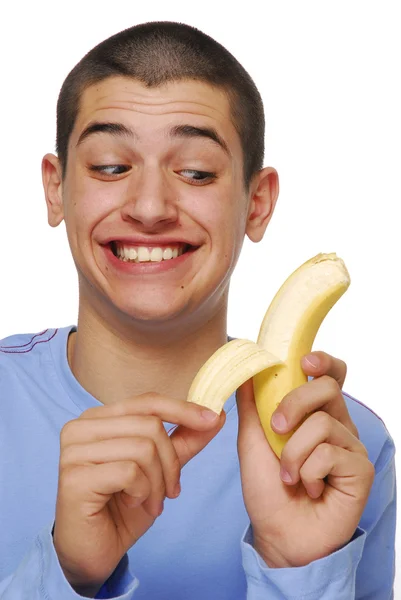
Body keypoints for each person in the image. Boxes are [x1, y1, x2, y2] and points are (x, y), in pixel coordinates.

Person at [0, 21, 395, 600]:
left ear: (256, 204)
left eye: (197, 172)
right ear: (56, 190)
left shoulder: (336, 445)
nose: (152, 207)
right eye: (111, 166)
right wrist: (68, 573)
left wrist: (297, 567)